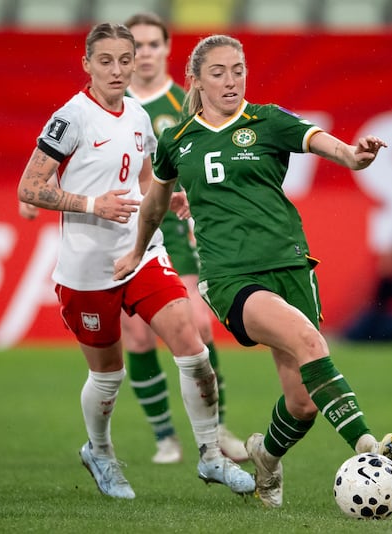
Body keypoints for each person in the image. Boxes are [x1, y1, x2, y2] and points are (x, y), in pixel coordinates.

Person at [114, 34, 392, 508]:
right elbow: (153, 207)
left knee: (303, 402)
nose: (231, 81)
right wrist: (136, 253)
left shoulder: (266, 120)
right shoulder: (177, 140)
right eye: (218, 72)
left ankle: (265, 456)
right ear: (197, 80)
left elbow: (316, 139)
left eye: (238, 70)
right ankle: (368, 448)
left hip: (291, 267)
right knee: (311, 344)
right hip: (231, 280)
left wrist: (352, 155)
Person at [16, 23, 254, 500]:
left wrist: (171, 198)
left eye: (125, 60)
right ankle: (100, 452)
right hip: (88, 269)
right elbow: (29, 188)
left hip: (141, 253)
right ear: (87, 64)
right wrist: (91, 205)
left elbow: (146, 181)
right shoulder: (71, 118)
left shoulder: (140, 115)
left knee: (193, 346)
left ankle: (210, 455)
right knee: (108, 375)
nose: (118, 69)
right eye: (106, 61)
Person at [121, 12, 246, 464]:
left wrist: (196, 197)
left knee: (198, 323)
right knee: (137, 336)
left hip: (177, 233)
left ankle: (215, 429)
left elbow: (217, 155)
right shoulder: (113, 106)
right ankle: (165, 437)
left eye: (153, 44)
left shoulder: (186, 103)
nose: (146, 53)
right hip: (126, 231)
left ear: (168, 49)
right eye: (137, 45)